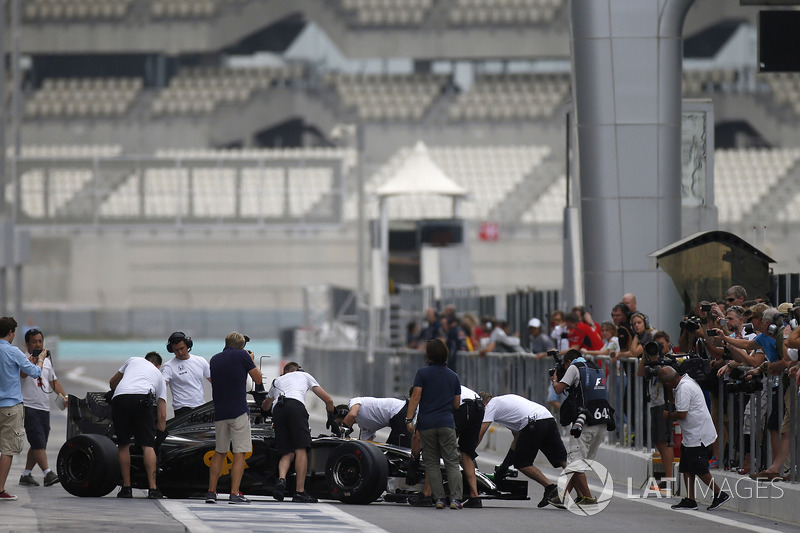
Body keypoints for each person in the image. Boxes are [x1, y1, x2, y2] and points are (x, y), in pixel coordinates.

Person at [477, 392, 567, 509]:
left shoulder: (490, 406)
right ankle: (584, 494)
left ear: (483, 403)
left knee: (522, 463)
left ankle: (550, 488)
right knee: (562, 460)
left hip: (534, 422)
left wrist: (467, 452)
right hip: (547, 417)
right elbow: (517, 437)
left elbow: (480, 433)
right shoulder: (503, 403)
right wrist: (505, 465)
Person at [262, 361, 336, 503]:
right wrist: (333, 417)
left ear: (284, 372)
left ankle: (282, 479)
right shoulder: (304, 376)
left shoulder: (277, 380)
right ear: (298, 370)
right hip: (295, 406)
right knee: (301, 449)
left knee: (286, 451)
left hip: (278, 410)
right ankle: (300, 492)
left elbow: (266, 406)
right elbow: (328, 400)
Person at [658, 366, 730, 511]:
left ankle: (719, 493)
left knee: (699, 468)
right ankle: (690, 499)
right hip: (691, 434)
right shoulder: (684, 382)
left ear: (667, 384)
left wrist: (669, 415)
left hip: (697, 434)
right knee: (686, 467)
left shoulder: (684, 388)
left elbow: (682, 414)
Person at [551, 349, 615, 507]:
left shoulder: (574, 368)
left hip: (584, 422)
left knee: (574, 462)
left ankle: (587, 497)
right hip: (601, 420)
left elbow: (558, 389)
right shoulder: (596, 368)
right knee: (580, 463)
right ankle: (563, 495)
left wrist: (554, 379)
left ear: (568, 362)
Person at [405, 339, 463, 509]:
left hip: (426, 424)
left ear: (429, 355)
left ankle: (439, 499)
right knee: (452, 461)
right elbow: (456, 404)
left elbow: (415, 397)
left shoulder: (422, 373)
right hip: (446, 423)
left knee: (432, 463)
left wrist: (409, 419)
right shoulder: (454, 376)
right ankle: (455, 499)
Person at [206, 332, 263, 504]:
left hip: (220, 411)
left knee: (220, 451)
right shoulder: (241, 356)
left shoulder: (214, 359)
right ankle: (234, 493)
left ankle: (211, 492)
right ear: (242, 346)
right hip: (238, 411)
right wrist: (251, 360)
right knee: (240, 452)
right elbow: (258, 379)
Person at [108, 351, 168, 499]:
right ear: (158, 366)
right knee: (147, 445)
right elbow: (162, 414)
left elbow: (112, 382)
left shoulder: (133, 360)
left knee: (123, 444)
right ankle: (153, 488)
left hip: (120, 397)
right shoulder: (159, 375)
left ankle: (126, 487)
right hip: (143, 398)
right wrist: (159, 436)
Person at [0, 317, 45, 502]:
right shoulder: (13, 351)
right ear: (11, 332)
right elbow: (34, 372)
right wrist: (40, 360)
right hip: (10, 406)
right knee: (7, 449)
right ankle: (0, 488)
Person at [19, 328, 68, 488]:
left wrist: (64, 397)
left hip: (43, 407)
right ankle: (48, 473)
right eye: (34, 341)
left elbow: (54, 382)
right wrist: (34, 360)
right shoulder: (24, 360)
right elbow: (24, 374)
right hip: (29, 405)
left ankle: (26, 474)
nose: (38, 344)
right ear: (27, 343)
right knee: (37, 441)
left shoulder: (46, 362)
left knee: (39, 442)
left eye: (40, 341)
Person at [636, 331, 674, 487]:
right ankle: (667, 476)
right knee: (659, 442)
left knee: (665, 441)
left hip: (665, 403)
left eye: (661, 344)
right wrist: (647, 353)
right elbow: (640, 373)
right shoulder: (652, 358)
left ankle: (669, 478)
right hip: (654, 402)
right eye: (656, 344)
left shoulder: (672, 359)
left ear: (668, 343)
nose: (659, 348)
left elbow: (668, 378)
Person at [161, 331, 211, 418]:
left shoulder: (200, 361)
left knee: (203, 432)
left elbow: (214, 381)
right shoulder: (168, 366)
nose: (180, 352)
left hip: (200, 406)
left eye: (182, 348)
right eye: (176, 350)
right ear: (171, 350)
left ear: (188, 345)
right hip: (182, 408)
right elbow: (161, 385)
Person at [334, 395, 412, 446]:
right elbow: (367, 446)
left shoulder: (354, 401)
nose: (341, 425)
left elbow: (352, 414)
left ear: (344, 413)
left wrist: (341, 432)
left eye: (340, 423)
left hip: (399, 411)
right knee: (391, 449)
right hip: (396, 418)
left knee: (399, 450)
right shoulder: (364, 427)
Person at [455, 385, 485, 508]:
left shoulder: (426, 390)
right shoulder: (451, 379)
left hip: (462, 407)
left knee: (442, 447)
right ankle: (475, 496)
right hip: (478, 406)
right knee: (466, 453)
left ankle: (432, 492)